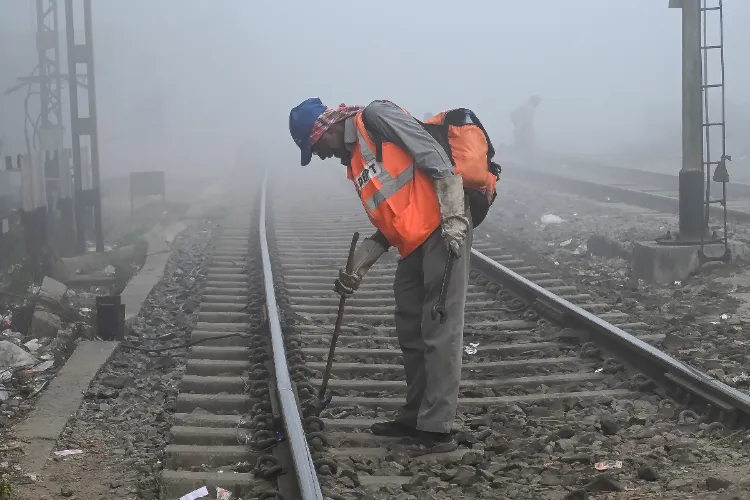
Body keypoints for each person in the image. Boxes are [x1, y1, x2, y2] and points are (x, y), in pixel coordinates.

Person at [289, 98, 472, 453]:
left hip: (441, 228)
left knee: (439, 327)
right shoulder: (357, 160)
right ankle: (415, 415)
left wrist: (452, 215)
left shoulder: (375, 117)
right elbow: (394, 217)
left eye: (316, 147)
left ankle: (436, 429)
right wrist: (360, 265)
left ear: (324, 129)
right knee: (409, 326)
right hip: (412, 241)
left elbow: (434, 157)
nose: (322, 156)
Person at [511, 95, 541, 162]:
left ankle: (517, 160)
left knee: (519, 146)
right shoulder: (529, 108)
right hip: (523, 131)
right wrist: (531, 133)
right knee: (525, 147)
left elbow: (513, 114)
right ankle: (523, 162)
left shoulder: (523, 105)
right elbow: (528, 122)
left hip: (519, 130)